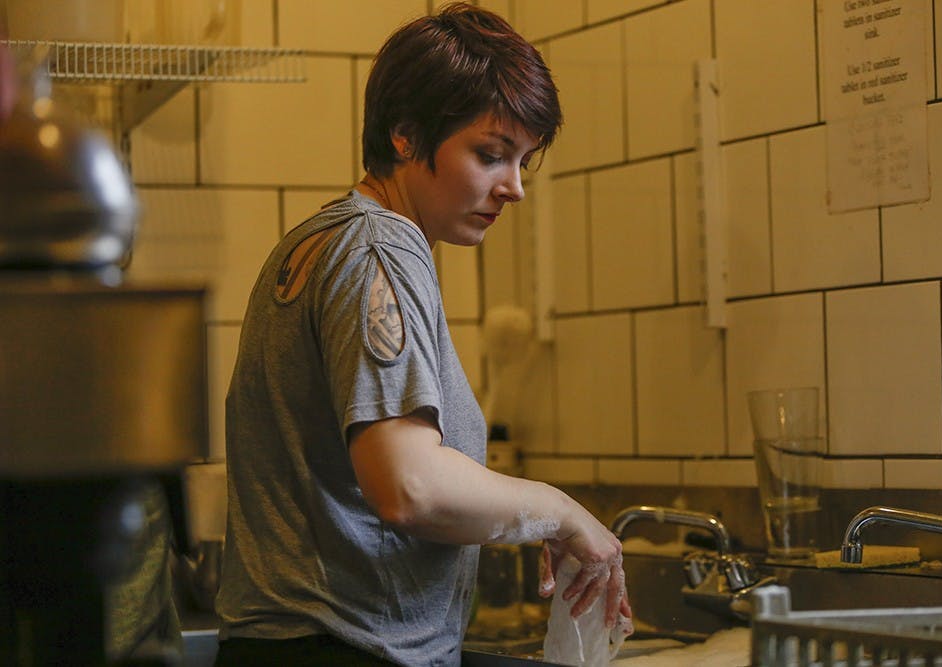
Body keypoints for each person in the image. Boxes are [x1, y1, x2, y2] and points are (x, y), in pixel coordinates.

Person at [214, 3, 631, 665]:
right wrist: (560, 510)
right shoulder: (381, 246)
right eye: (491, 155)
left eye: (523, 161)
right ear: (406, 136)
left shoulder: (319, 241)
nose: (514, 188)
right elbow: (409, 484)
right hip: (346, 648)